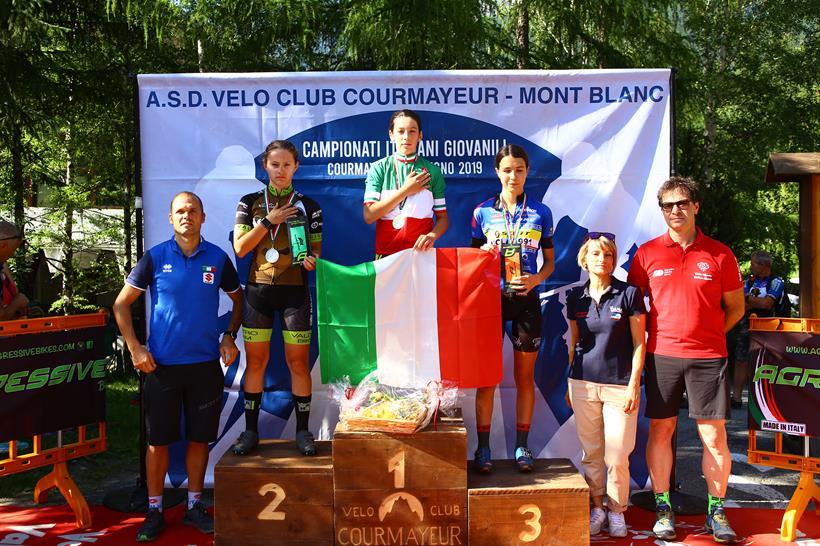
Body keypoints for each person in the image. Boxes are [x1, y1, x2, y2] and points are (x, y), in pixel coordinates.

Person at [113, 192, 243, 543]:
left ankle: (194, 506)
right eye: (180, 211)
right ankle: (155, 510)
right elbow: (121, 305)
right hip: (162, 368)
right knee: (158, 442)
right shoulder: (155, 257)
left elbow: (239, 299)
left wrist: (229, 336)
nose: (187, 216)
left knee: (199, 439)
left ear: (203, 217)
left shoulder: (217, 258)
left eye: (193, 211)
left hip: (204, 367)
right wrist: (135, 347)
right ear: (171, 218)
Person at [627, 176, 744, 543]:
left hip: (708, 357)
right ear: (661, 211)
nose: (675, 210)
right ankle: (663, 508)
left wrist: (708, 335)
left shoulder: (720, 253)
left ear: (696, 206)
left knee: (713, 436)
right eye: (668, 205)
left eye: (681, 203)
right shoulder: (647, 253)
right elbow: (633, 307)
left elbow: (736, 308)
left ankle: (716, 511)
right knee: (661, 431)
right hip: (661, 355)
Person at [232, 140, 323, 456]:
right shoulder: (249, 202)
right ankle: (250, 431)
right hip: (257, 292)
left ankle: (302, 431)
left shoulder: (310, 206)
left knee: (298, 363)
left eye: (286, 165)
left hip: (294, 293)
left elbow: (316, 251)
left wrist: (312, 260)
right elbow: (240, 248)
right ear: (265, 167)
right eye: (274, 164)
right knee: (256, 362)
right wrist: (269, 221)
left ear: (296, 166)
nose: (280, 170)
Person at [470, 144, 555, 473]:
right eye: (507, 170)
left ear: (527, 171)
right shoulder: (482, 212)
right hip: (491, 301)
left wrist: (536, 280)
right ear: (497, 172)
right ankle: (483, 448)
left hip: (526, 301)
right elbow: (472, 261)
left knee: (524, 378)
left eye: (519, 170)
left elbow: (550, 263)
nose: (513, 176)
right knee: (487, 379)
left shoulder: (540, 212)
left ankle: (522, 446)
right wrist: (484, 255)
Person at [565, 233, 646, 538]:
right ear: (584, 260)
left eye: (608, 255)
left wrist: (634, 384)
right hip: (582, 384)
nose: (603, 260)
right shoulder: (575, 297)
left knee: (617, 455)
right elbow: (574, 343)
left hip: (619, 386)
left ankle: (617, 510)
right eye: (596, 254)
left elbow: (640, 343)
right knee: (592, 453)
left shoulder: (629, 294)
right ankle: (597, 507)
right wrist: (569, 382)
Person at [363, 109, 448, 258]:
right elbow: (369, 215)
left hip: (421, 254)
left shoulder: (432, 171)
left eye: (412, 131)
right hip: (386, 256)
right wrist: (405, 190)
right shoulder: (378, 168)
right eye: (401, 131)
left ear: (420, 135)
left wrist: (432, 235)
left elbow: (443, 218)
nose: (406, 137)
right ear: (391, 135)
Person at [732, 250, 785, 408]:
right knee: (741, 360)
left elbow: (767, 304)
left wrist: (748, 298)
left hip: (770, 327)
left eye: (753, 263)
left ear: (763, 265)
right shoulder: (749, 281)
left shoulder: (776, 281)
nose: (751, 266)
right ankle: (736, 398)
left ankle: (767, 399)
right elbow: (740, 303)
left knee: (765, 362)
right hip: (747, 325)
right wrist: (752, 301)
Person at [0, 220, 28, 321]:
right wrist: (17, 302)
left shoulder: (2, 266)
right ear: (3, 245)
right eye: (13, 249)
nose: (12, 255)